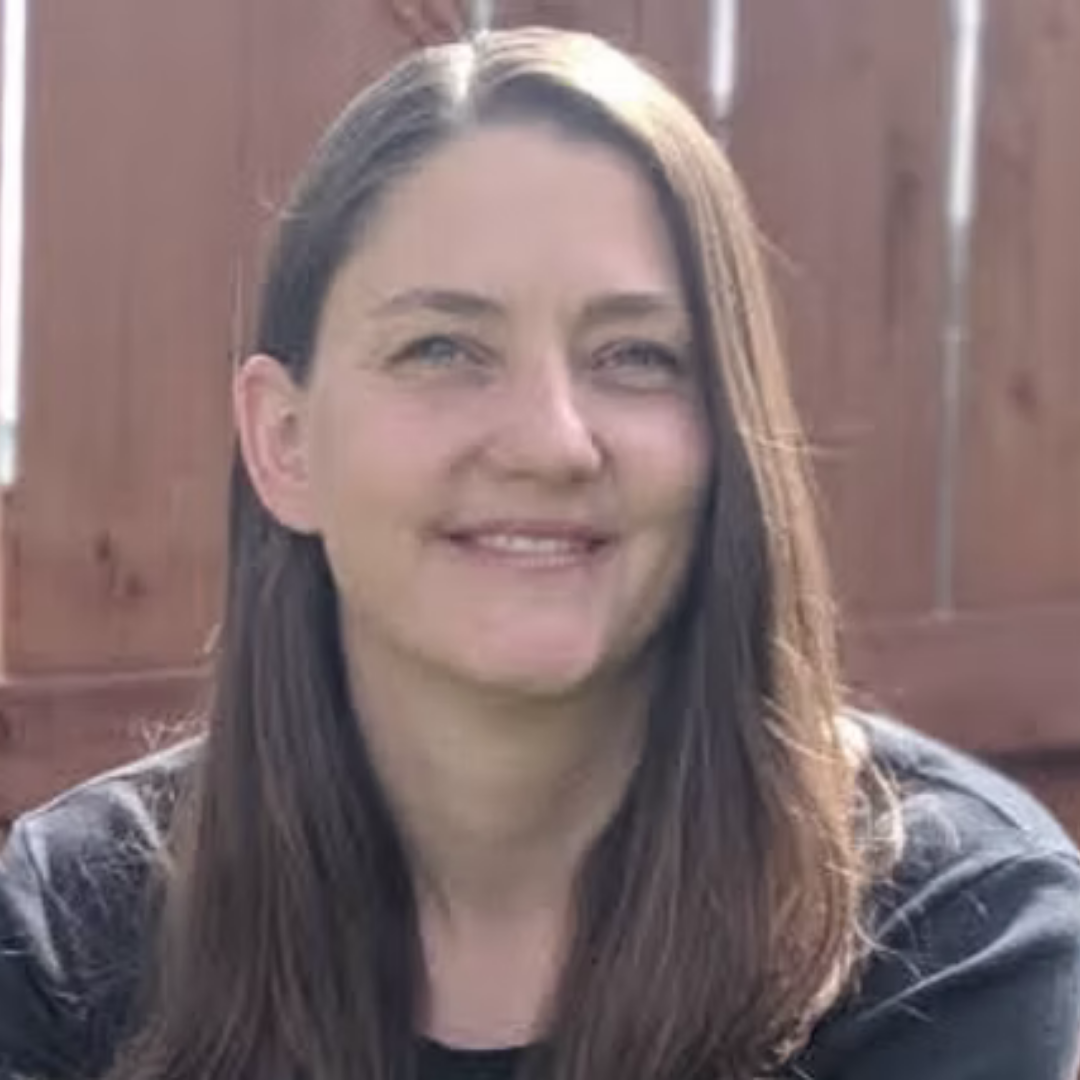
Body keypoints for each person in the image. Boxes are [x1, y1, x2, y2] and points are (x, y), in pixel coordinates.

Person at [1, 26, 1079, 1080]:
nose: (553, 442)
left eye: (636, 356)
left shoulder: (957, 931)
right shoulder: (73, 928)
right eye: (443, 348)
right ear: (284, 442)